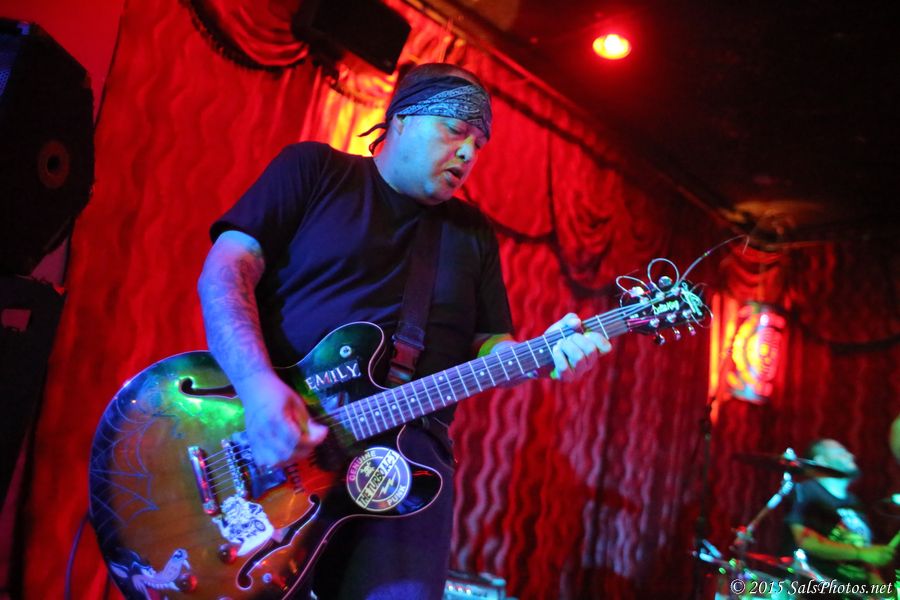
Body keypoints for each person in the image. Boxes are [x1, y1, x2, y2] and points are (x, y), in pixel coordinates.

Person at [197, 62, 610, 599]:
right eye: (456, 130)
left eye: (479, 144)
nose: (468, 153)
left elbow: (490, 344)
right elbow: (225, 271)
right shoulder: (316, 170)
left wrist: (546, 354)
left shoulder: (471, 233)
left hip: (408, 467)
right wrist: (256, 388)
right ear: (402, 119)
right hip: (281, 439)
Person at [785, 439, 895, 592]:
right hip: (819, 590)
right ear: (822, 461)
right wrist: (861, 553)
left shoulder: (854, 502)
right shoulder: (807, 491)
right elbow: (806, 541)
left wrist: (882, 591)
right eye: (841, 452)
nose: (851, 455)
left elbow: (866, 557)